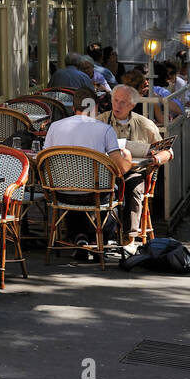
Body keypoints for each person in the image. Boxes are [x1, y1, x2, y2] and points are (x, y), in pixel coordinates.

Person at [41, 87, 131, 256]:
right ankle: (102, 239)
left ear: (74, 108)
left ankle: (78, 235)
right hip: (95, 194)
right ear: (95, 108)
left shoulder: (54, 127)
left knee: (75, 188)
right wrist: (128, 157)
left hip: (60, 193)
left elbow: (44, 159)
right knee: (116, 191)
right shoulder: (104, 129)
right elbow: (120, 169)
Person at [98, 85, 173, 254]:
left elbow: (168, 150)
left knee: (133, 188)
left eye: (123, 102)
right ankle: (98, 236)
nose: (117, 105)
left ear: (132, 105)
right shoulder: (100, 121)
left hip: (134, 172)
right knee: (98, 188)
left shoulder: (144, 124)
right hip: (106, 172)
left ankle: (129, 238)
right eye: (115, 101)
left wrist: (156, 159)